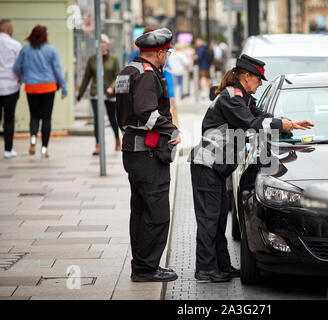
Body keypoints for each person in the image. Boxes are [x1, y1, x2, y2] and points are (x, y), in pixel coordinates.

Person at [188, 54, 314, 282]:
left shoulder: (244, 98)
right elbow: (252, 124)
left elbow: (261, 117)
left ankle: (222, 266)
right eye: (258, 80)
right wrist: (279, 124)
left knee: (218, 220)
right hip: (206, 165)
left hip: (217, 168)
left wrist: (288, 123)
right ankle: (206, 269)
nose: (259, 85)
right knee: (209, 220)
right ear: (246, 77)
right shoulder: (232, 99)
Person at [115, 28, 181, 283]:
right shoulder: (145, 74)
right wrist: (171, 128)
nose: (167, 57)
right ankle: (146, 268)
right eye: (166, 52)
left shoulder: (127, 71)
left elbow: (123, 113)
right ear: (158, 53)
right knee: (157, 213)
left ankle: (141, 264)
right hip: (148, 153)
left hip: (133, 149)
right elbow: (146, 111)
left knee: (140, 211)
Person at [13, 25, 67, 158]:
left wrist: (24, 75)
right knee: (47, 118)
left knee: (34, 115)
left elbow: (16, 67)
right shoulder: (51, 50)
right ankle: (44, 148)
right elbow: (58, 71)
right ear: (45, 35)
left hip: (32, 87)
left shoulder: (25, 49)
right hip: (48, 87)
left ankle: (32, 139)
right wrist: (64, 88)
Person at [77, 34, 121, 155]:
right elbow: (86, 78)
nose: (101, 45)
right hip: (96, 92)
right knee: (98, 119)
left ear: (107, 45)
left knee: (113, 118)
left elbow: (118, 75)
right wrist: (80, 94)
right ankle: (98, 145)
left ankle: (117, 139)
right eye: (99, 43)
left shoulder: (113, 59)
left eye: (104, 43)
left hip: (110, 94)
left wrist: (112, 88)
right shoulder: (92, 59)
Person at [0, 19, 21, 159]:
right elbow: (19, 66)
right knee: (9, 119)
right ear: (9, 30)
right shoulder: (15, 45)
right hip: (11, 87)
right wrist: (20, 78)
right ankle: (8, 149)